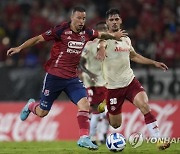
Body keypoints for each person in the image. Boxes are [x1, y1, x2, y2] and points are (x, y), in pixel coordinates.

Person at [7, 6, 127, 150]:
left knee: (84, 105)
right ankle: (31, 105)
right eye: (79, 18)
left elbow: (101, 35)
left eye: (84, 18)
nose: (81, 21)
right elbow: (39, 38)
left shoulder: (87, 32)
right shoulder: (61, 30)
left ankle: (84, 138)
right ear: (72, 18)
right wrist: (20, 48)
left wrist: (114, 36)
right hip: (54, 77)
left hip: (71, 78)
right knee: (42, 112)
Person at [97, 8, 170, 150]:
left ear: (121, 21)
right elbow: (101, 45)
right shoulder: (104, 39)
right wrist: (101, 49)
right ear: (107, 22)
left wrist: (153, 62)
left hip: (130, 82)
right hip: (113, 88)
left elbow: (134, 56)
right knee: (116, 124)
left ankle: (158, 140)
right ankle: (106, 108)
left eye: (116, 19)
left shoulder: (126, 39)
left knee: (144, 105)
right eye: (111, 20)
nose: (114, 22)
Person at [80, 21, 109, 145]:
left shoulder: (111, 44)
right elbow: (80, 62)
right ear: (96, 31)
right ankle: (91, 137)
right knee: (95, 109)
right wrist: (88, 73)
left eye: (105, 29)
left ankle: (102, 136)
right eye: (100, 29)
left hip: (107, 82)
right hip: (92, 82)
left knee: (107, 110)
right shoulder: (89, 44)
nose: (103, 31)